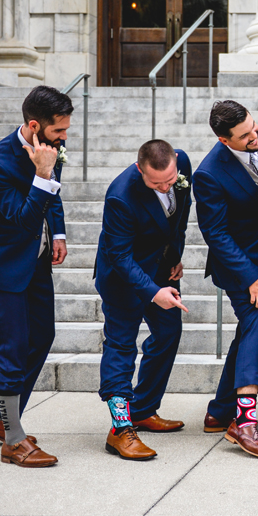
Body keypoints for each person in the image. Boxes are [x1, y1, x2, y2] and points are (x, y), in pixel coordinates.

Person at [0, 86, 71, 467]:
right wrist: (42, 173)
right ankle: (13, 439)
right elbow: (24, 219)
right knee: (12, 347)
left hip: (37, 261)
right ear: (34, 125)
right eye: (58, 131)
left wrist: (57, 233)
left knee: (42, 336)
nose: (63, 138)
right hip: (5, 265)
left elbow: (52, 195)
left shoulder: (49, 149)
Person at [194, 100, 258, 458]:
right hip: (237, 266)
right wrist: (252, 277)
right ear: (223, 140)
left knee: (249, 329)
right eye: (244, 135)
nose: (255, 136)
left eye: (253, 127)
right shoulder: (209, 174)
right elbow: (215, 234)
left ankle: (219, 412)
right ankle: (244, 421)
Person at [95, 139, 193, 460]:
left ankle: (143, 409)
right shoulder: (120, 196)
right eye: (155, 183)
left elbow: (179, 214)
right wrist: (153, 291)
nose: (165, 187)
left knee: (168, 333)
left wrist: (175, 255)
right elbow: (120, 258)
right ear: (140, 169)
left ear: (176, 162)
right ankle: (120, 430)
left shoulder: (182, 167)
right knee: (121, 347)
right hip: (123, 278)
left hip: (160, 265)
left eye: (169, 180)